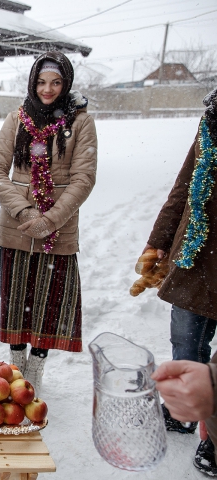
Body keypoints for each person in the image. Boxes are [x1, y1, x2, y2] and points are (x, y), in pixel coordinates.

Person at [0, 52, 97, 396]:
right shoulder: (17, 120)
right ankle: (17, 365)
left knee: (49, 303)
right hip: (15, 231)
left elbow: (84, 177)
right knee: (16, 301)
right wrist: (25, 213)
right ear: (33, 84)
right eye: (41, 82)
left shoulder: (79, 123)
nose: (47, 89)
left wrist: (50, 220)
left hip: (58, 233)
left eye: (56, 82)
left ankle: (36, 368)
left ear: (66, 84)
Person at [143, 86, 217, 475]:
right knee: (186, 341)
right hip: (197, 255)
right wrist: (158, 240)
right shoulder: (211, 123)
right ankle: (183, 411)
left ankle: (215, 440)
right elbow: (184, 186)